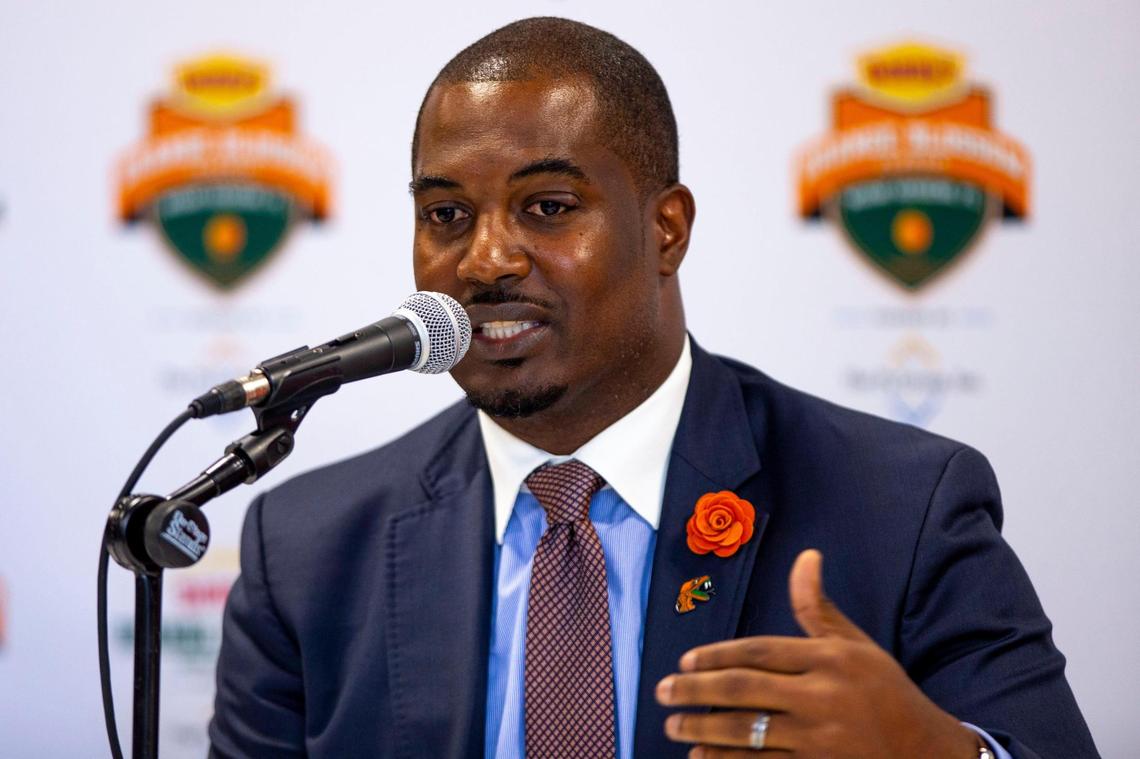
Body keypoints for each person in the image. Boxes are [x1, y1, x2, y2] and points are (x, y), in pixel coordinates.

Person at [209, 17, 1098, 759]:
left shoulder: (900, 504)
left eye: (547, 206)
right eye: (446, 216)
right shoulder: (308, 549)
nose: (485, 259)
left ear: (666, 229)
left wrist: (939, 754)